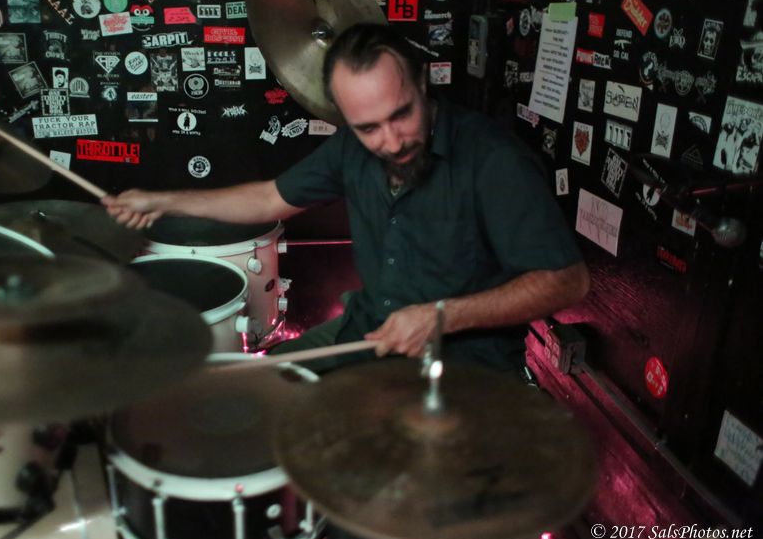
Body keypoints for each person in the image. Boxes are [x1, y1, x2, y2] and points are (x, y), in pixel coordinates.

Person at [104, 23, 589, 374]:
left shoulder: (494, 160)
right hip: (365, 331)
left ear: (422, 83)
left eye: (401, 115)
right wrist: (162, 202)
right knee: (260, 385)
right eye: (368, 127)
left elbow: (567, 282)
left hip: (464, 365)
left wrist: (442, 316)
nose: (391, 141)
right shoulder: (349, 150)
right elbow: (268, 199)